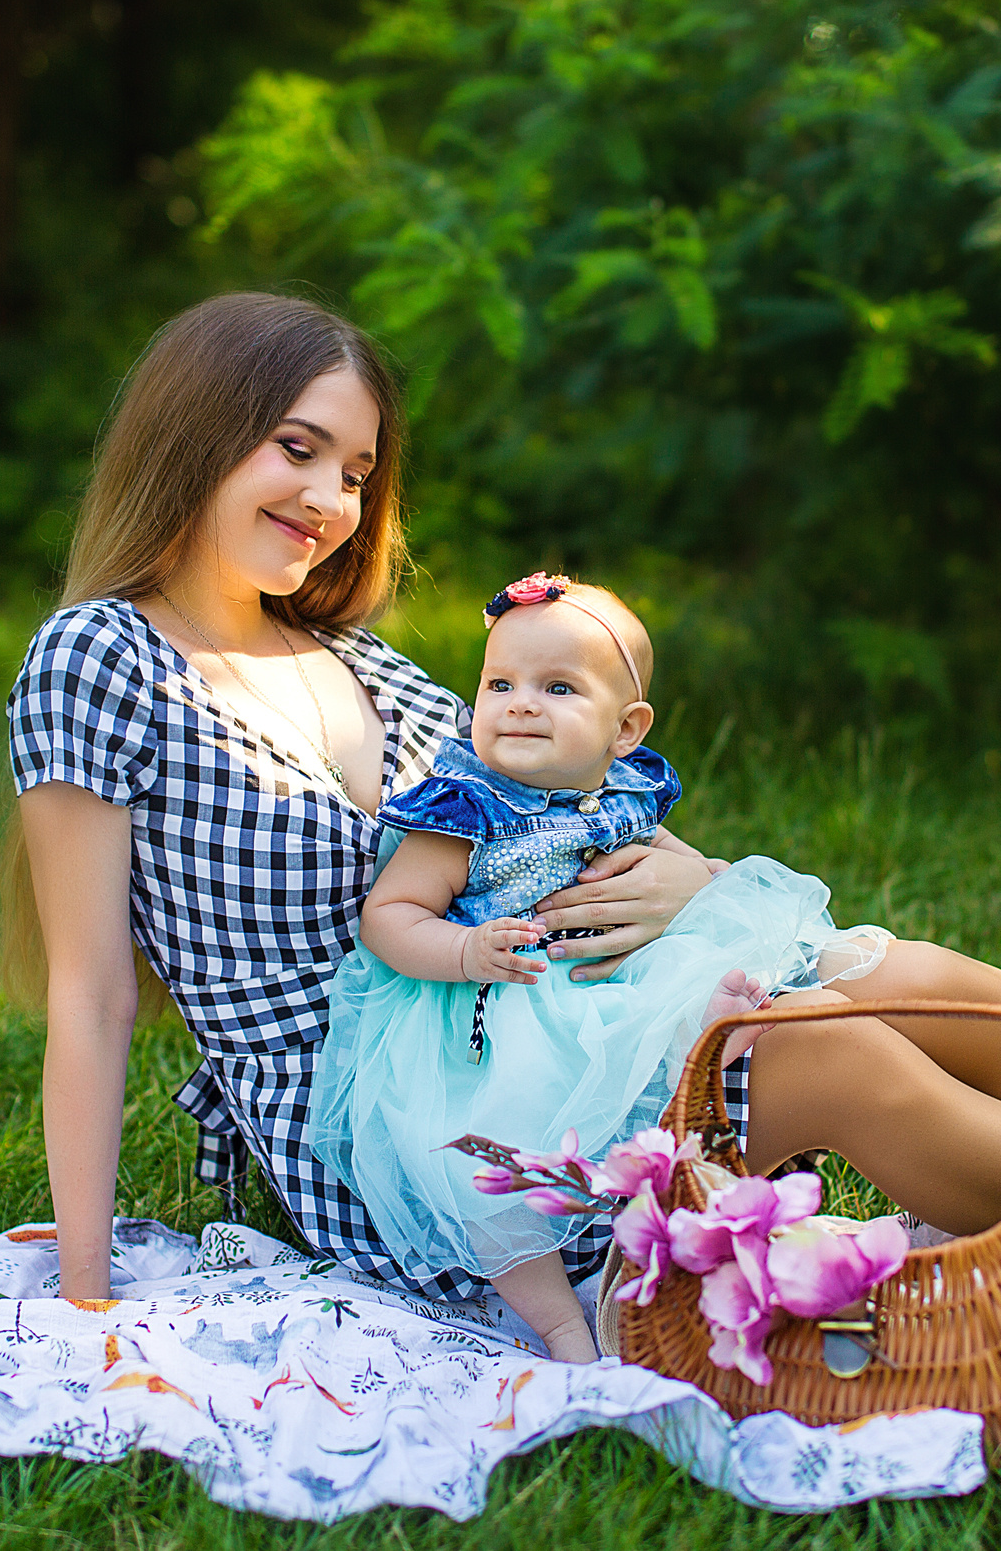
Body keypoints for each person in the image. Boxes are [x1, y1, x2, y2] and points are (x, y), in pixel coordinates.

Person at [0, 290, 1001, 1342]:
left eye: (354, 466)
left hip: (559, 1021)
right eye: (295, 450)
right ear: (195, 435)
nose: (331, 498)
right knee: (841, 1057)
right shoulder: (106, 660)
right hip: (389, 1128)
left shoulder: (374, 665)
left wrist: (679, 873)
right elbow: (92, 990)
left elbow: (555, 821)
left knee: (929, 973)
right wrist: (82, 1298)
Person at [307, 571, 891, 1360]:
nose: (519, 702)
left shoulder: (626, 793)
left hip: (612, 982)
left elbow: (681, 865)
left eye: (556, 686)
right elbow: (388, 916)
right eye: (499, 682)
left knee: (696, 983)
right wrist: (465, 949)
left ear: (626, 729)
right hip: (494, 1015)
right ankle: (554, 1321)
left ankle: (706, 1035)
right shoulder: (460, 808)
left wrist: (712, 883)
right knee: (486, 1171)